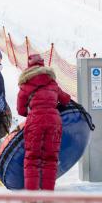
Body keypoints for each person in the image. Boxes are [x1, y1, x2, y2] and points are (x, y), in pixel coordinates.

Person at [16, 54, 71, 191]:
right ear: (42, 65)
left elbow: (21, 109)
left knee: (32, 157)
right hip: (54, 121)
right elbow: (66, 99)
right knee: (50, 158)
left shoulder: (26, 84)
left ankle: (32, 194)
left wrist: (31, 112)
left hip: (35, 121)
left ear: (29, 67)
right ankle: (47, 194)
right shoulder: (52, 82)